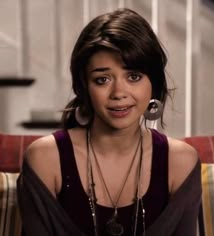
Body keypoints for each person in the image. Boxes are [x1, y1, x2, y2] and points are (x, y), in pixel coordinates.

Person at [17, 8, 201, 236]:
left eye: (134, 77)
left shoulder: (180, 162)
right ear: (84, 86)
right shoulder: (46, 159)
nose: (119, 93)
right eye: (102, 79)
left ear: (153, 81)